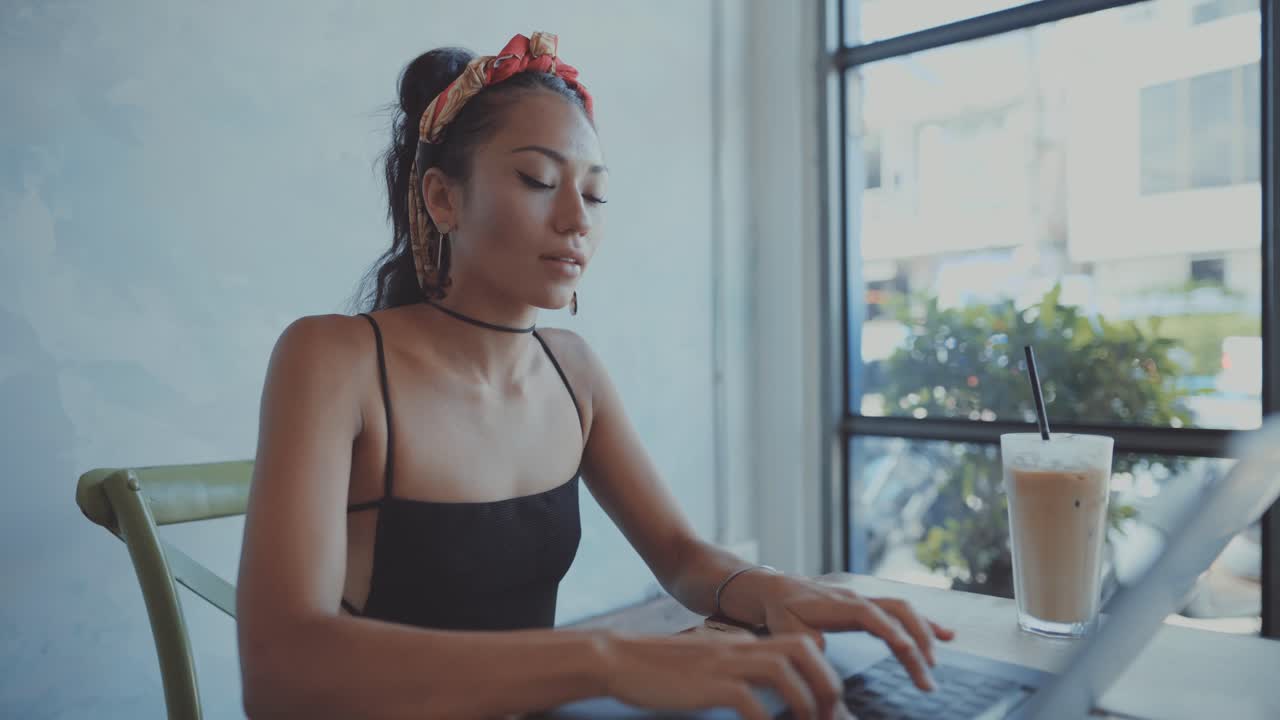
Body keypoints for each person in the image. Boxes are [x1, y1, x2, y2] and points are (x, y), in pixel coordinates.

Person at [235, 31, 953, 720]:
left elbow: (679, 554)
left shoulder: (571, 369)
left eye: (597, 194)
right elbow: (279, 671)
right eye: (539, 180)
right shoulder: (333, 360)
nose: (577, 218)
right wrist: (606, 661)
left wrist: (776, 592)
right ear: (441, 198)